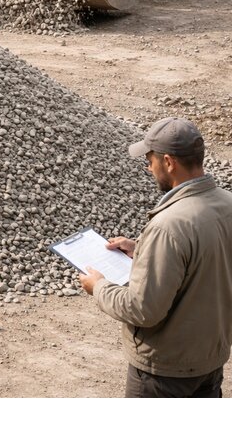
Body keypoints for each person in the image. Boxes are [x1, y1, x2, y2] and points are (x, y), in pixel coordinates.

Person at [79, 117, 232, 398]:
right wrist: (142, 249)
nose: (149, 167)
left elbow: (143, 309)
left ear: (169, 162)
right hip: (210, 360)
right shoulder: (227, 204)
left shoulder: (169, 225)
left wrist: (98, 287)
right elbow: (209, 257)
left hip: (165, 373)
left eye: (150, 160)